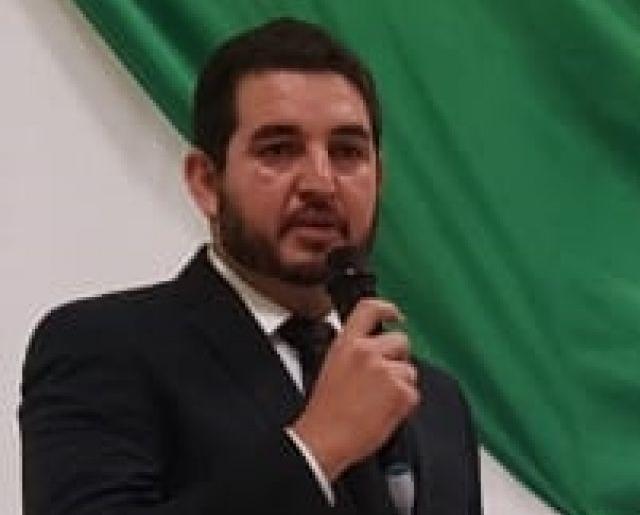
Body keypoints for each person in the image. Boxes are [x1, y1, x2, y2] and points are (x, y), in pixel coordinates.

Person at [20, 18, 481, 515]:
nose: (321, 183)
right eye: (279, 150)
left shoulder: (434, 400)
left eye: (347, 152)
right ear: (206, 182)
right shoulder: (104, 347)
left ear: (379, 178)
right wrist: (316, 447)